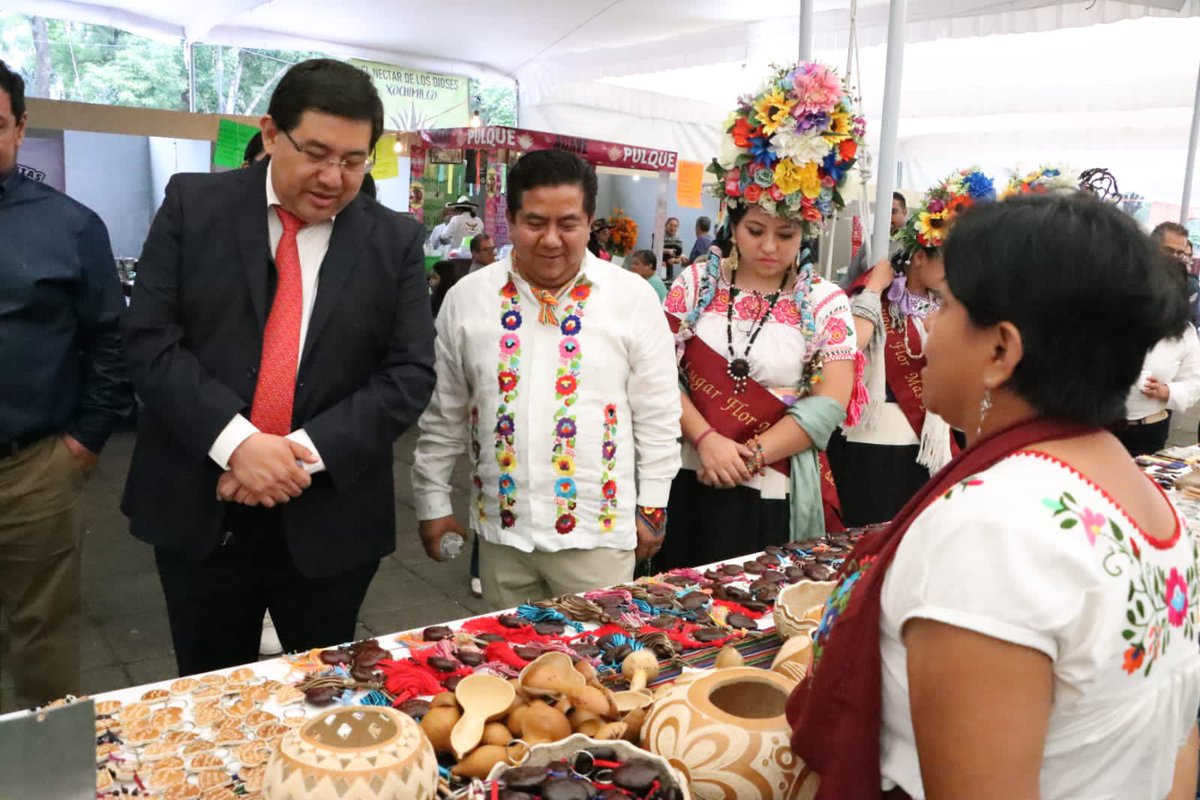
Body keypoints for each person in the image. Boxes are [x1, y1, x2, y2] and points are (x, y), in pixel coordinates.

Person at [789, 192, 1200, 800]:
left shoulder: (992, 531)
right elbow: (1175, 752)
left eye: (948, 305)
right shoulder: (1145, 498)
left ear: (1001, 350)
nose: (927, 326)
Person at [122, 58, 436, 676]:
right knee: (210, 691)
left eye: (353, 159)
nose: (333, 177)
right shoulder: (195, 205)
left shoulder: (393, 240)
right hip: (201, 503)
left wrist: (290, 455)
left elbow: (408, 375)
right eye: (315, 152)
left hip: (329, 515)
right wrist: (238, 444)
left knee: (320, 695)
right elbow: (149, 341)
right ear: (269, 135)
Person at [412, 148, 681, 609]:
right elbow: (444, 412)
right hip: (501, 539)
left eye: (568, 224)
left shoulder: (631, 297)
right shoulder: (468, 298)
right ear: (511, 221)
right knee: (508, 671)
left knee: (599, 672)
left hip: (598, 538)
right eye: (535, 223)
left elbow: (658, 413)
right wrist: (432, 502)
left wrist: (653, 506)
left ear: (590, 222)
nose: (552, 239)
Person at [655, 61, 865, 570]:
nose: (769, 247)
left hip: (774, 486)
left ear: (806, 234)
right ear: (733, 220)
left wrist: (745, 455)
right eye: (755, 230)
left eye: (787, 235)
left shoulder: (822, 300)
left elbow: (828, 405)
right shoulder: (696, 284)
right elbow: (656, 372)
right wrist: (706, 440)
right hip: (690, 474)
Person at [0, 59, 132, 709]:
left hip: (32, 467)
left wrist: (84, 442)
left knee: (42, 632)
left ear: (20, 128)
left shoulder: (71, 226)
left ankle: (45, 770)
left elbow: (111, 340)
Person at [827, 169, 994, 527]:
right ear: (919, 257)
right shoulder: (870, 298)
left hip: (925, 446)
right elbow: (848, 346)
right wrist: (873, 290)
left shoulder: (950, 306)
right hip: (867, 444)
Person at [1115, 254, 1200, 456]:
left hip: (1148, 431)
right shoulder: (1113, 321)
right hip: (1100, 427)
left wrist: (1166, 391)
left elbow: (1194, 384)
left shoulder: (1184, 333)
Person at [839, 192, 907, 290]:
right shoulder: (873, 239)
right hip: (865, 299)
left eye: (893, 212)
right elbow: (851, 276)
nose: (888, 217)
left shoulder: (910, 243)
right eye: (885, 212)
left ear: (904, 212)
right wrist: (838, 296)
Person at [1152, 221, 1198, 327]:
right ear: (1152, 247)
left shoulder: (1188, 287)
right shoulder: (1132, 279)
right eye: (1169, 250)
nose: (1175, 257)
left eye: (1180, 253)